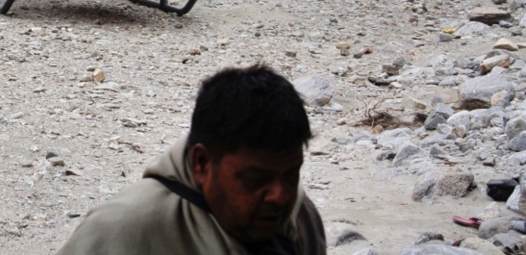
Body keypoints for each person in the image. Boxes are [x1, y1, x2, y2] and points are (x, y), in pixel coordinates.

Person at [55, 65, 326, 255]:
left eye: (291, 175)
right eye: (257, 179)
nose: (279, 196)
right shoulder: (120, 229)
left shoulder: (300, 217)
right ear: (201, 163)